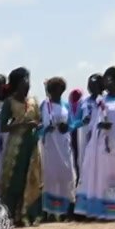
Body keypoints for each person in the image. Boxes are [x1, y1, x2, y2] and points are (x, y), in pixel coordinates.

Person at [75, 67, 115, 220]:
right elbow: (94, 122)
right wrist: (100, 126)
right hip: (104, 145)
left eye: (111, 79)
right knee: (104, 178)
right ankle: (104, 211)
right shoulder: (101, 101)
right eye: (106, 79)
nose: (108, 82)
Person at [0, 68, 43, 225]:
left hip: (32, 145)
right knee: (15, 180)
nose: (27, 85)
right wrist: (22, 124)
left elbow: (39, 120)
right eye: (24, 82)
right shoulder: (9, 103)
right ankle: (12, 214)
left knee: (32, 178)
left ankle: (30, 214)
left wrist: (36, 124)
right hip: (16, 147)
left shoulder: (34, 102)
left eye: (28, 81)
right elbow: (2, 127)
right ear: (17, 84)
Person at [38, 77, 75, 219]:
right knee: (51, 177)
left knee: (67, 174)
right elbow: (39, 126)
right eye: (53, 90)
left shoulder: (66, 105)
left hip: (64, 144)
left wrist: (67, 127)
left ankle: (67, 209)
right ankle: (51, 212)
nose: (57, 93)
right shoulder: (44, 105)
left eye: (59, 90)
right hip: (50, 146)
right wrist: (47, 129)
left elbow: (72, 124)